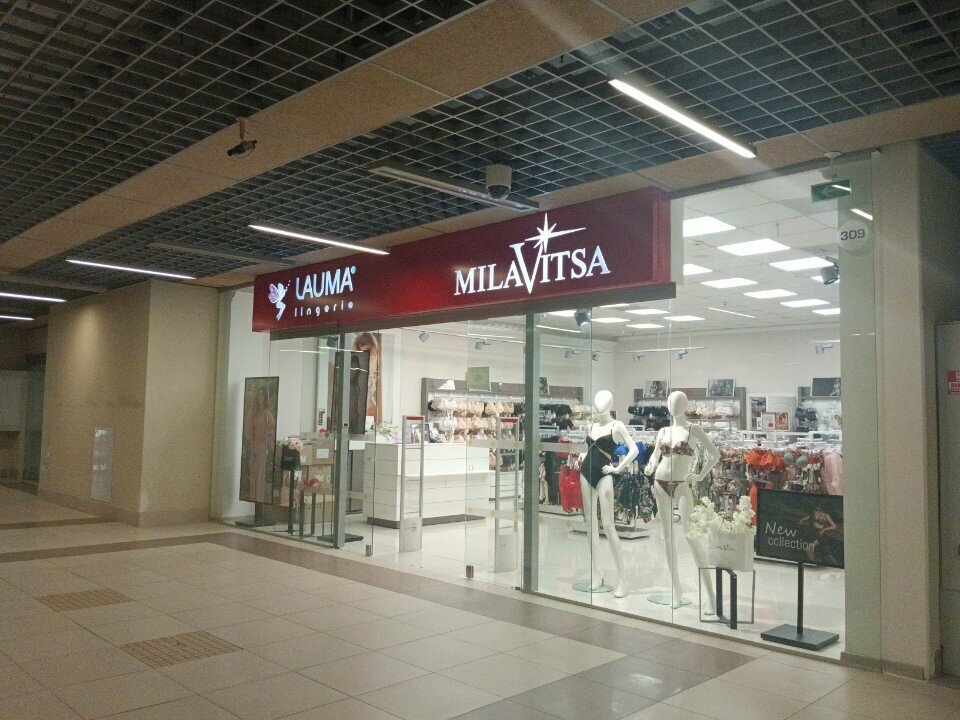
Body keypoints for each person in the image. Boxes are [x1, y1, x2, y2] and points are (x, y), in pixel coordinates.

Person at [645, 390, 720, 611]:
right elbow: (655, 456)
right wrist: (650, 465)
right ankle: (676, 591)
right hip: (659, 481)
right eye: (670, 402)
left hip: (681, 484)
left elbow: (715, 454)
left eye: (677, 402)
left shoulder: (693, 429)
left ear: (685, 405)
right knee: (667, 539)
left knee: (691, 537)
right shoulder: (663, 431)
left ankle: (711, 596)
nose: (673, 406)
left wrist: (701, 475)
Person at [244, 385, 276, 502]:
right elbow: (249, 427)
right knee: (253, 471)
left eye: (262, 394)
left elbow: (272, 429)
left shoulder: (267, 413)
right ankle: (253, 497)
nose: (260, 397)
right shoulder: (255, 413)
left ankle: (259, 498)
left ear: (265, 397)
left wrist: (265, 437)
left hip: (262, 445)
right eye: (259, 394)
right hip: (254, 444)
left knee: (260, 472)